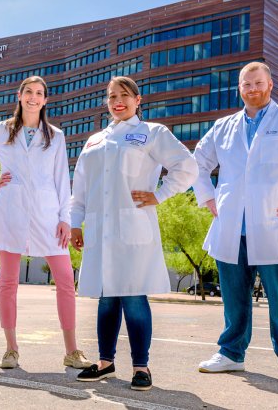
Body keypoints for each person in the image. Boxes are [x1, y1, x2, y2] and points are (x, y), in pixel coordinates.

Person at [192, 62, 278, 384]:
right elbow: (197, 164)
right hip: (231, 225)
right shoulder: (223, 126)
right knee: (233, 297)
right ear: (239, 88)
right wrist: (209, 197)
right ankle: (230, 354)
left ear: (270, 84)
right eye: (246, 84)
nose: (252, 89)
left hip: (277, 223)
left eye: (258, 83)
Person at [71, 76, 198, 391]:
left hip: (133, 227)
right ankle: (105, 363)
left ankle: (141, 367)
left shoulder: (151, 133)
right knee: (106, 297)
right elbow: (81, 186)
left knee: (133, 296)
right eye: (112, 96)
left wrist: (160, 194)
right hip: (100, 229)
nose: (118, 101)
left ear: (138, 100)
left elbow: (187, 166)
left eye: (125, 95)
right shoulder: (95, 140)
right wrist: (75, 221)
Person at [0, 76, 91, 371]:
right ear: (19, 96)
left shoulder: (56, 136)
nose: (34, 97)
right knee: (8, 282)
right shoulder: (2, 130)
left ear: (45, 100)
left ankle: (72, 351)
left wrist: (65, 218)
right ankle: (11, 349)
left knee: (64, 281)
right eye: (29, 92)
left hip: (48, 214)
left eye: (39, 93)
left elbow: (62, 180)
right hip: (12, 210)